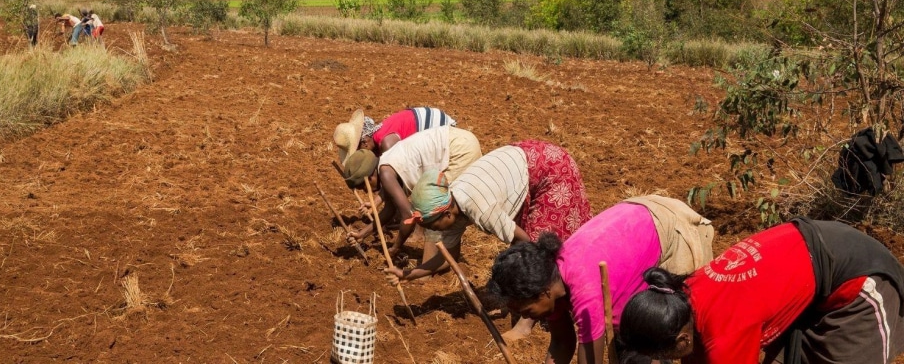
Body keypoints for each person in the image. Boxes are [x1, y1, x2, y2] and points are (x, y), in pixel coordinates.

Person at [618, 217, 904, 364]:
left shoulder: (724, 334)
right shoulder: (683, 294)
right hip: (811, 268)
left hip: (858, 278)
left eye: (669, 357)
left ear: (681, 341)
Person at [385, 140, 592, 340]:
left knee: (539, 242)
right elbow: (446, 258)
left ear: (446, 214)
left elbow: (525, 243)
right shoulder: (450, 207)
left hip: (550, 169)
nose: (431, 231)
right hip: (526, 162)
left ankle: (525, 324)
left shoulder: (477, 206)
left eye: (431, 226)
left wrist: (514, 282)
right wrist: (406, 274)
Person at [487, 195, 715, 364]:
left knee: (667, 334)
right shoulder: (551, 280)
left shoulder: (585, 287)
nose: (526, 318)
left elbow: (590, 360)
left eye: (527, 311)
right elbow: (562, 342)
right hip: (631, 226)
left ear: (543, 292)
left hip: (669, 227)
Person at [341, 125, 481, 262]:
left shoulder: (386, 174)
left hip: (458, 151)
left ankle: (433, 264)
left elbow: (408, 215)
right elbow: (389, 210)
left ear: (370, 177)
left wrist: (396, 247)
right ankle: (443, 260)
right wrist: (362, 234)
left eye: (364, 187)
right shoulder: (387, 165)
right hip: (460, 141)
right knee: (437, 209)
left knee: (433, 211)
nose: (367, 191)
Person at [334, 107, 456, 164]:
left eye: (359, 151)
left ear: (365, 142)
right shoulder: (380, 133)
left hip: (442, 130)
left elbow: (402, 171)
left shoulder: (386, 143)